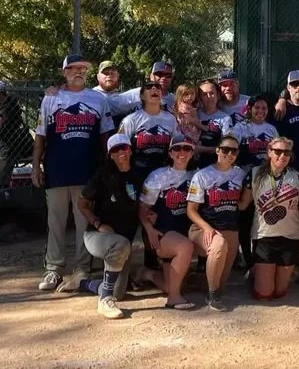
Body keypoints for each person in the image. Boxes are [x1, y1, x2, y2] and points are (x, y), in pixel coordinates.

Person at [33, 54, 114, 291]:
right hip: (56, 169)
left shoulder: (98, 100)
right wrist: (36, 165)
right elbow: (41, 135)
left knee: (83, 222)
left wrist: (107, 168)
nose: (78, 72)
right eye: (72, 68)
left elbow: (105, 136)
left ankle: (82, 269)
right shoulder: (51, 98)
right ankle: (53, 269)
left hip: (87, 170)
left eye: (82, 68)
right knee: (55, 221)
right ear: (64, 72)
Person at [56, 133, 139, 319]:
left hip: (122, 241)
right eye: (116, 150)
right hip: (97, 236)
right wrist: (97, 223)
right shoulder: (103, 175)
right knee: (120, 245)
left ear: (131, 150)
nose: (121, 153)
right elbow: (81, 203)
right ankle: (105, 301)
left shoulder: (138, 174)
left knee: (120, 292)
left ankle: (83, 283)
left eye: (124, 148)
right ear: (110, 155)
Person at [118, 79, 179, 269]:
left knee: (153, 218)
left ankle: (151, 265)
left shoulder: (170, 119)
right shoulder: (131, 120)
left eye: (158, 87)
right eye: (149, 88)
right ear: (142, 96)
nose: (154, 89)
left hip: (160, 178)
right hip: (136, 175)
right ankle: (122, 268)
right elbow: (121, 148)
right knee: (129, 220)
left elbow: (175, 146)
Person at [240, 137, 299, 300]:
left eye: (286, 152)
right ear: (269, 152)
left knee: (280, 292)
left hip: (291, 236)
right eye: (278, 151)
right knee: (265, 295)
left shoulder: (296, 176)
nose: (282, 156)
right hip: (264, 236)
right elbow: (242, 205)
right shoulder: (255, 174)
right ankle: (255, 272)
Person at [187, 135, 248, 310]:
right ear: (217, 151)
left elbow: (243, 204)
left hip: (230, 228)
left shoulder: (240, 174)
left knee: (221, 282)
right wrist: (207, 228)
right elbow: (191, 210)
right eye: (225, 150)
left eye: (234, 151)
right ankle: (212, 295)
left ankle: (198, 281)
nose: (229, 154)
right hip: (203, 227)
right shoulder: (202, 175)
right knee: (219, 245)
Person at [138, 133, 197, 310]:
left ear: (192, 152)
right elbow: (142, 210)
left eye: (187, 148)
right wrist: (149, 229)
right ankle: (173, 298)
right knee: (185, 247)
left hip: (184, 232)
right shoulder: (158, 176)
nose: (182, 152)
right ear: (170, 153)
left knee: (173, 284)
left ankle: (146, 273)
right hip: (161, 233)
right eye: (177, 148)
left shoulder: (197, 175)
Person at [232, 94, 279, 271]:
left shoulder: (271, 129)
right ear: (250, 109)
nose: (260, 111)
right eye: (257, 107)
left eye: (264, 108)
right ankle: (246, 258)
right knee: (245, 218)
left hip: (266, 180)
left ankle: (261, 257)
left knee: (262, 220)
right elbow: (231, 148)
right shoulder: (240, 128)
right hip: (244, 179)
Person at [0, 80, 33, 186]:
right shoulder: (0, 106)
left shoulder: (9, 107)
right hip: (2, 146)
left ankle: (1, 199)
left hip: (7, 147)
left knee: (0, 181)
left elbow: (0, 127)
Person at [107, 61, 175, 117]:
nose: (164, 78)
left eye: (168, 75)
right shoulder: (137, 94)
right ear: (151, 76)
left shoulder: (175, 100)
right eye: (159, 74)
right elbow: (109, 105)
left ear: (171, 78)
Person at [196, 79, 233, 168]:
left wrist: (201, 149)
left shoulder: (225, 118)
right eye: (205, 94)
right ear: (200, 98)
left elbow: (226, 145)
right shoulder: (195, 114)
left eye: (212, 93)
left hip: (214, 162)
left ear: (218, 95)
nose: (209, 97)